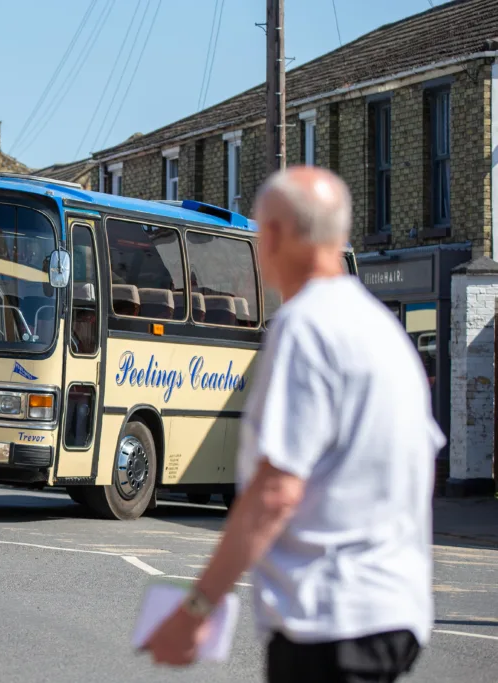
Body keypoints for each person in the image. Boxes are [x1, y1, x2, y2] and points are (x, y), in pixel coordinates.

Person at [143, 167, 444, 683]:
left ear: (277, 236)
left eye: (261, 235)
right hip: (395, 610)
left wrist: (197, 609)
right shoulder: (385, 331)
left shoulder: (306, 327)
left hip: (329, 619)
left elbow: (276, 490)